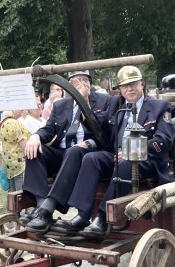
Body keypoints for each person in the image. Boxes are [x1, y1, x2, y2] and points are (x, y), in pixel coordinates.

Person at [36, 66, 174, 237]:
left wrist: (132, 150)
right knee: (91, 159)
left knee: (125, 164)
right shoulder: (116, 104)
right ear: (120, 89)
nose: (129, 89)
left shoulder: (159, 106)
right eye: (125, 86)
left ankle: (102, 217)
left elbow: (164, 140)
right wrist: (84, 101)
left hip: (146, 160)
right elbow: (97, 123)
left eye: (133, 84)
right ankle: (83, 214)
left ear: (142, 84)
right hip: (116, 155)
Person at [23, 70, 111, 232]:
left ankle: (49, 207)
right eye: (75, 82)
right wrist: (35, 136)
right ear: (67, 86)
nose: (80, 84)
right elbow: (48, 130)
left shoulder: (105, 101)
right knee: (35, 150)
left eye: (84, 81)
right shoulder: (60, 104)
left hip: (89, 153)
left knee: (74, 151)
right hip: (64, 152)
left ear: (90, 84)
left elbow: (104, 132)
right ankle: (43, 208)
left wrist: (85, 101)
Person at [0, 110, 31, 192]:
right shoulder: (13, 123)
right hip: (19, 163)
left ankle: (11, 205)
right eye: (21, 109)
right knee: (21, 193)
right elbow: (24, 145)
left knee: (13, 193)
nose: (23, 111)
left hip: (10, 163)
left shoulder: (3, 122)